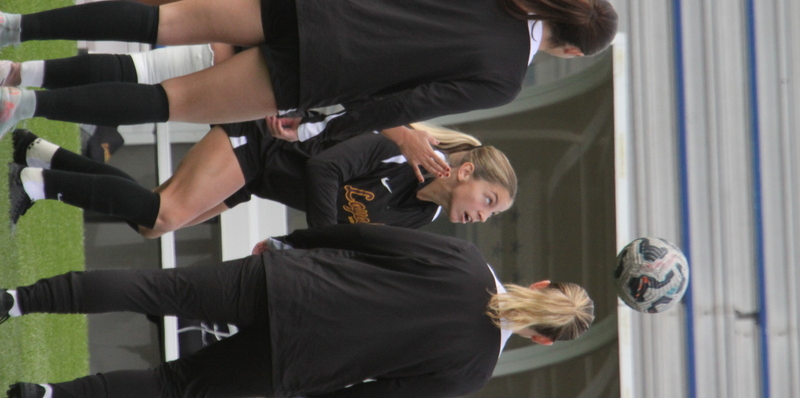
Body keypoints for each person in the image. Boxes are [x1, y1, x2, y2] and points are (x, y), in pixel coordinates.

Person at [0, 0, 618, 156]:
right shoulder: (507, 78)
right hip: (320, 71)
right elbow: (405, 104)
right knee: (168, 102)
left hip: (311, 0)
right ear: (567, 52)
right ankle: (20, 105)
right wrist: (325, 129)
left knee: (153, 9)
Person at [1, 224, 595, 398]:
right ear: (541, 340)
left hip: (290, 284)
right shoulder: (472, 373)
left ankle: (17, 301)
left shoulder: (462, 259)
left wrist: (294, 244)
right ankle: (48, 397)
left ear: (540, 282)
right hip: (298, 361)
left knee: (156, 289)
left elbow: (365, 239)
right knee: (172, 385)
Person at [8, 121, 515, 238]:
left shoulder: (419, 216)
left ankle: (39, 152)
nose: (483, 215)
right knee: (161, 212)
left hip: (258, 181)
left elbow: (360, 243)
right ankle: (34, 182)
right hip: (260, 144)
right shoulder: (405, 150)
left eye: (492, 214)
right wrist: (322, 241)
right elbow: (324, 168)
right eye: (489, 199)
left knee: (151, 223)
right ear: (465, 171)